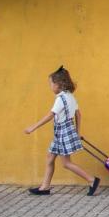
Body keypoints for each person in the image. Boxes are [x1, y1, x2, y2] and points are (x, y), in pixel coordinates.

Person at [24, 66, 101, 196]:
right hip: (64, 131)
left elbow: (50, 115)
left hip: (62, 132)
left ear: (58, 84)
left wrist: (33, 127)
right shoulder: (70, 96)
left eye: (51, 84)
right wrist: (77, 131)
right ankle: (45, 187)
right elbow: (78, 115)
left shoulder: (60, 99)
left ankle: (92, 180)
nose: (50, 87)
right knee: (50, 158)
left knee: (66, 163)